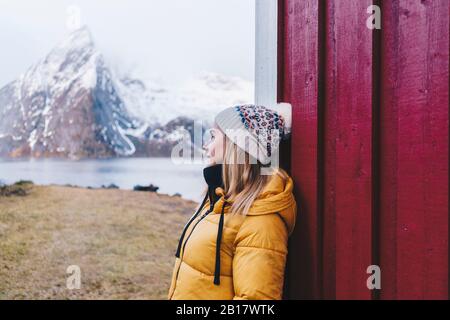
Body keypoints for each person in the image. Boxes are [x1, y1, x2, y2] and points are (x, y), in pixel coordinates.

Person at [168, 104, 297, 300]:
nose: (206, 146)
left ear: (236, 145)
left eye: (213, 137)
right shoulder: (219, 200)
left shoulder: (262, 221)